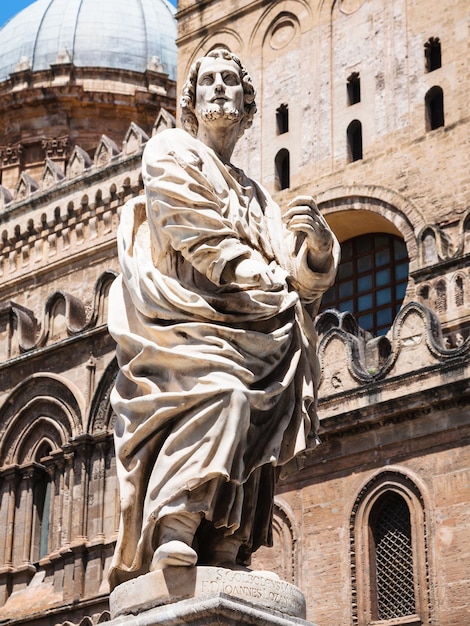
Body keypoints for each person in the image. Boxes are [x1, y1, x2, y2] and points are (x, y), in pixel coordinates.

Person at [107, 48, 339, 589]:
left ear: (247, 102)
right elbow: (197, 233)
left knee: (270, 389)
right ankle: (177, 525)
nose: (218, 89)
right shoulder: (169, 151)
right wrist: (261, 277)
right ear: (190, 101)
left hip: (251, 329)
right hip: (183, 327)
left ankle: (227, 536)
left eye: (229, 81)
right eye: (207, 80)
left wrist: (320, 252)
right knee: (228, 393)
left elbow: (298, 276)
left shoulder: (259, 197)